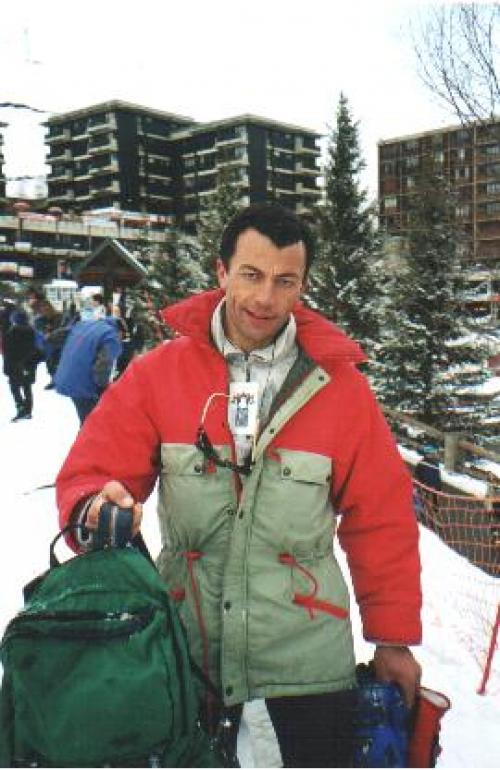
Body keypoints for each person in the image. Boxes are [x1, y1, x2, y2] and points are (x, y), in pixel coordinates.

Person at [56, 204, 422, 767]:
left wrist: (392, 639)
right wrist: (94, 506)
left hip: (305, 669)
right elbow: (91, 472)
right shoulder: (157, 375)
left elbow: (382, 518)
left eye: (285, 281)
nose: (265, 298)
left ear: (303, 284)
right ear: (222, 271)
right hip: (185, 657)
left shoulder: (341, 389)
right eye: (251, 274)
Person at [54, 317, 123, 425]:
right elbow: (102, 366)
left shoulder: (84, 324)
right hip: (84, 385)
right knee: (93, 423)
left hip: (66, 378)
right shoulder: (111, 336)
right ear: (120, 331)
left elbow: (55, 337)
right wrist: (103, 388)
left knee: (87, 419)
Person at [2, 309, 38, 421]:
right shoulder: (32, 331)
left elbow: (7, 351)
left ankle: (21, 408)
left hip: (14, 366)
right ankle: (28, 411)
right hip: (28, 365)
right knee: (27, 388)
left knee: (14, 388)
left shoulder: (11, 333)